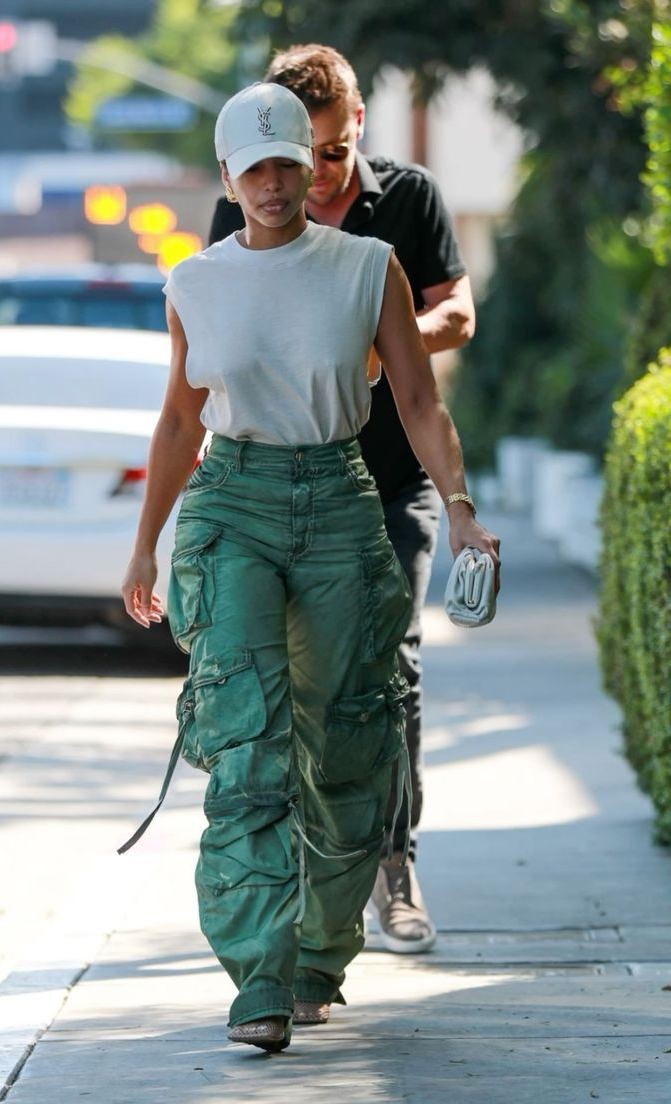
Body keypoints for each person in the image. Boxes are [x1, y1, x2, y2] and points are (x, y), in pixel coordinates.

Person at [120, 81, 499, 1053]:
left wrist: (459, 509)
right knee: (247, 745)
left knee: (344, 747)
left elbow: (417, 400)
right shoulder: (195, 282)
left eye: (289, 163)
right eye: (255, 169)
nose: (275, 183)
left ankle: (318, 958)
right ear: (228, 178)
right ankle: (256, 976)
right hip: (233, 504)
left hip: (338, 502)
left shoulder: (368, 267)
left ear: (313, 164)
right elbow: (176, 422)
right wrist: (143, 546)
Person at [208, 44, 475, 957]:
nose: (304, 179)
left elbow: (458, 314)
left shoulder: (406, 202)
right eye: (284, 156)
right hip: (275, 488)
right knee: (284, 686)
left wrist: (380, 338)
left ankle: (392, 867)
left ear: (355, 129)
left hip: (389, 479)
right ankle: (302, 877)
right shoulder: (246, 197)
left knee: (387, 660)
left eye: (324, 155)